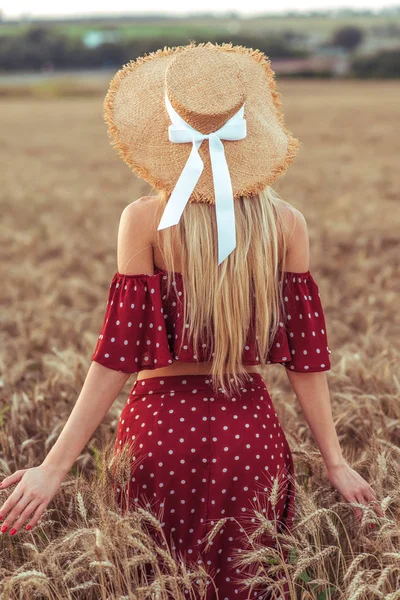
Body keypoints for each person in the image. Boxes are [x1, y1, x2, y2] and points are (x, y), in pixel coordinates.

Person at [0, 42, 382, 599]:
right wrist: (337, 462)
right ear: (251, 129)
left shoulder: (145, 220)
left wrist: (54, 468)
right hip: (247, 441)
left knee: (151, 585)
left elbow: (116, 356)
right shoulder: (286, 225)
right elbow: (307, 359)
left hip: (158, 438)